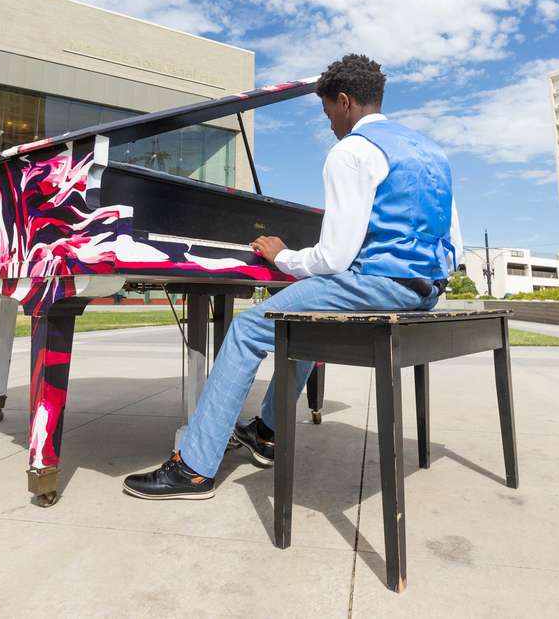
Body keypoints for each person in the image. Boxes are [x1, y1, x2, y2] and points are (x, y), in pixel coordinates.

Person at [123, 53, 462, 500]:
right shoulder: (432, 153)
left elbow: (335, 257)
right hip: (426, 291)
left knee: (247, 329)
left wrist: (284, 256)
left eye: (327, 114)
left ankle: (194, 466)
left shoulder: (351, 151)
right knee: (306, 309)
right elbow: (453, 243)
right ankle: (266, 431)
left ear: (343, 102)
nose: (330, 125)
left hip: (382, 286)